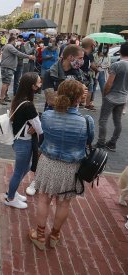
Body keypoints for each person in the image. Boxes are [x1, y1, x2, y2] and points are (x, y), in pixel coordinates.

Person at [29, 80, 94, 250]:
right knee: (64, 203)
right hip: (71, 168)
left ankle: (40, 235)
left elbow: (43, 135)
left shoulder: (48, 115)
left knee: (44, 199)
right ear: (79, 98)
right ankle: (55, 235)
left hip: (48, 163)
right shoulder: (86, 121)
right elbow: (88, 142)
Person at [3, 73, 44, 209]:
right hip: (23, 143)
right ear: (32, 86)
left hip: (18, 141)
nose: (40, 85)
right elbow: (39, 127)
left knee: (24, 168)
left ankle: (12, 191)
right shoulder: (28, 105)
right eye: (38, 83)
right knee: (19, 171)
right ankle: (10, 198)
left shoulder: (18, 98)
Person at [96, 42, 128, 152]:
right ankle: (113, 143)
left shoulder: (117, 65)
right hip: (123, 98)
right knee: (117, 121)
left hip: (111, 97)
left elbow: (109, 83)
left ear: (121, 51)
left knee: (103, 120)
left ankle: (101, 142)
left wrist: (105, 94)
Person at [42, 45, 87, 110]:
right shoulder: (51, 73)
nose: (82, 61)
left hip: (72, 113)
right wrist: (76, 95)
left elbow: (82, 102)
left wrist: (82, 98)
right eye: (80, 58)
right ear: (71, 57)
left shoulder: (79, 73)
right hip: (55, 114)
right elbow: (51, 101)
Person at [0, 36, 35, 105]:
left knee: (7, 83)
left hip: (8, 67)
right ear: (12, 40)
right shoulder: (10, 46)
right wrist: (29, 56)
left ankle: (4, 96)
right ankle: (1, 98)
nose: (16, 42)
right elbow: (18, 53)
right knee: (5, 83)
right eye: (15, 41)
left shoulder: (8, 46)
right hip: (7, 67)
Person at [80, 37, 98, 110]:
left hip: (78, 73)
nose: (95, 46)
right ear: (92, 46)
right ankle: (87, 104)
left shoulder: (79, 51)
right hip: (85, 74)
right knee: (89, 89)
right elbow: (93, 66)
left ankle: (80, 102)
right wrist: (97, 69)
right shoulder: (89, 55)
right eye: (94, 45)